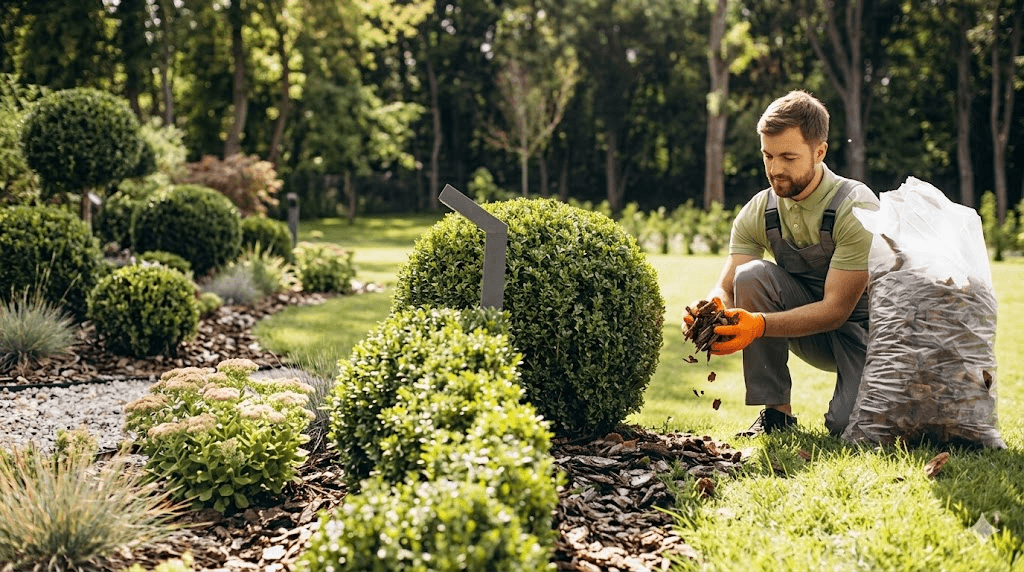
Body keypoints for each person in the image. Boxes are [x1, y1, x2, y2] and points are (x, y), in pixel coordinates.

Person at [684, 90, 879, 438]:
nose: (775, 169)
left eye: (788, 157)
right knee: (751, 275)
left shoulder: (855, 206)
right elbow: (728, 286)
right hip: (805, 330)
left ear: (819, 152)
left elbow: (836, 311)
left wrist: (757, 325)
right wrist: (711, 311)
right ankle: (777, 417)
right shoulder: (761, 209)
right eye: (768, 155)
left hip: (861, 333)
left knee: (845, 425)